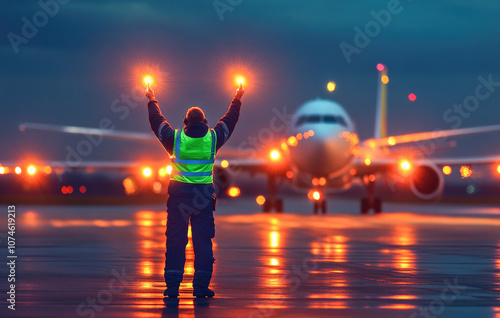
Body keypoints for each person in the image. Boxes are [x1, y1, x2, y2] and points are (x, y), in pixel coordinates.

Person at [145, 83, 244, 298]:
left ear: (185, 122)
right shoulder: (213, 138)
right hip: (203, 200)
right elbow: (230, 120)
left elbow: (157, 123)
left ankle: (172, 287)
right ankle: (200, 287)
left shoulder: (175, 139)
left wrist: (152, 99)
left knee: (175, 242)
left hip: (179, 200)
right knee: (203, 243)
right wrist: (237, 98)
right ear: (206, 123)